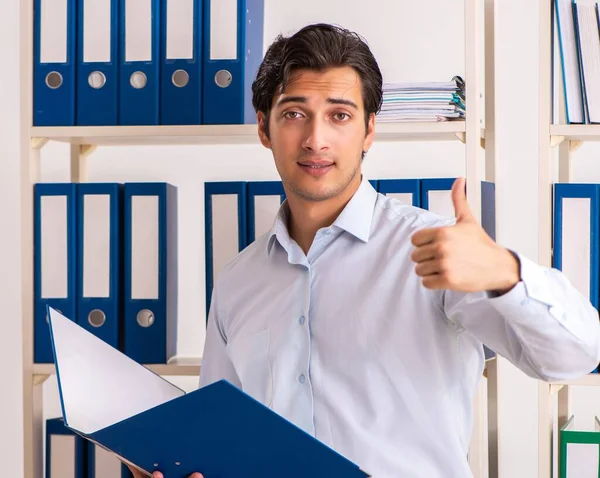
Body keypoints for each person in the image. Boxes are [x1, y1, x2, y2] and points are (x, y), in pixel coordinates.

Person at [131, 23, 600, 478]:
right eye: (294, 113)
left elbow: (574, 357)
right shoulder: (237, 280)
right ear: (264, 128)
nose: (316, 139)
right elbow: (224, 435)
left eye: (340, 115)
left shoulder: (434, 252)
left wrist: (506, 273)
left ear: (370, 130)